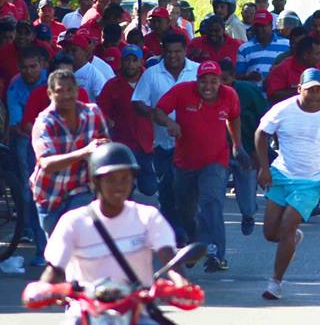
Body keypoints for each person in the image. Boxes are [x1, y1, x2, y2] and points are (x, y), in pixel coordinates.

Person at [29, 142, 191, 305]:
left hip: (136, 310)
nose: (119, 186)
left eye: (125, 178)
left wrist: (181, 283)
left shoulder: (148, 217)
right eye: (111, 179)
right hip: (85, 311)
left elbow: (169, 258)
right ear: (96, 182)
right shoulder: (73, 222)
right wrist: (43, 288)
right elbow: (55, 269)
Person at [256, 68, 320, 300]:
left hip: (311, 181)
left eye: (319, 90)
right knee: (270, 233)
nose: (315, 94)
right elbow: (261, 133)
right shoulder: (283, 109)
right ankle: (292, 239)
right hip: (281, 175)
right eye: (310, 89)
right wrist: (264, 168)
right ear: (299, 89)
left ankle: (275, 282)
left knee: (287, 226)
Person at [154, 61, 244, 272]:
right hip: (184, 163)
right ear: (197, 81)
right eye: (203, 81)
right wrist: (170, 123)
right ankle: (195, 243)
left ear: (220, 81)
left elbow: (234, 118)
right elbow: (158, 111)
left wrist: (237, 146)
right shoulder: (182, 91)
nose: (208, 86)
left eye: (214, 81)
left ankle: (216, 253)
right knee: (185, 210)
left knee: (211, 203)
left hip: (215, 160)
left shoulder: (229, 95)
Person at [131, 32, 199, 243]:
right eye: (169, 52)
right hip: (163, 144)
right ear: (162, 52)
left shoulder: (197, 71)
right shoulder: (151, 74)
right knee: (168, 192)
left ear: (185, 51)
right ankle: (174, 233)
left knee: (187, 193)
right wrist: (153, 114)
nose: (173, 56)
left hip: (193, 144)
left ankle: (189, 232)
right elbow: (137, 101)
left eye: (177, 51)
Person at [30, 69, 111, 236]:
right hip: (50, 194)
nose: (66, 95)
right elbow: (46, 164)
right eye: (60, 91)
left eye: (70, 90)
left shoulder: (92, 113)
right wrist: (84, 152)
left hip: (82, 189)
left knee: (78, 240)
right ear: (50, 93)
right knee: (58, 252)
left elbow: (106, 146)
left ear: (77, 90)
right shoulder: (44, 122)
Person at [97, 46, 157, 198]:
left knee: (149, 188)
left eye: (134, 60)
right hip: (122, 144)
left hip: (147, 144)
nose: (130, 64)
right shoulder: (112, 85)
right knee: (125, 190)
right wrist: (107, 121)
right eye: (127, 60)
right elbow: (100, 111)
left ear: (141, 62)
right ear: (121, 62)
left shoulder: (151, 80)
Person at [7, 47, 49, 265]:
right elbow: (16, 122)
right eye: (24, 67)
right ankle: (39, 244)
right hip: (27, 138)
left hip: (55, 138)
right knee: (30, 189)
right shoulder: (16, 85)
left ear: (41, 65)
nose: (29, 71)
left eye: (33, 66)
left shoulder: (51, 81)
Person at [220, 59, 267, 233]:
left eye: (224, 79)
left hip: (247, 150)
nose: (220, 84)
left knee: (247, 198)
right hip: (219, 153)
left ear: (233, 77)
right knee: (214, 196)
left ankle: (248, 216)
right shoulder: (209, 94)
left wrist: (259, 151)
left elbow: (265, 121)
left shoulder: (248, 91)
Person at [236, 9, 291, 90]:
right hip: (255, 97)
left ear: (271, 26)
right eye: (257, 26)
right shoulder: (244, 48)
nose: (259, 29)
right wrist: (248, 76)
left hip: (279, 95)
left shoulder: (286, 44)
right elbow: (237, 77)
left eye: (263, 26)